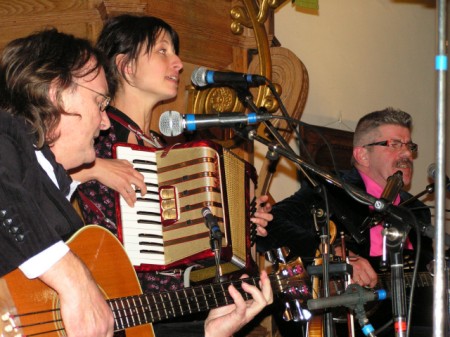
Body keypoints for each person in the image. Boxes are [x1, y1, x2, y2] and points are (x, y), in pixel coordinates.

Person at [0, 28, 272, 337]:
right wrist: (75, 280)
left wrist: (210, 333)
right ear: (56, 93)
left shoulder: (59, 212)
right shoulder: (7, 136)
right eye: (101, 104)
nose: (105, 123)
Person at [257, 108, 434, 337]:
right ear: (362, 155)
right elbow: (271, 225)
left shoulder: (416, 209)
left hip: (406, 322)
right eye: (394, 144)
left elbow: (425, 274)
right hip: (338, 322)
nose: (407, 154)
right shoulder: (330, 189)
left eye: (409, 146)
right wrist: (335, 255)